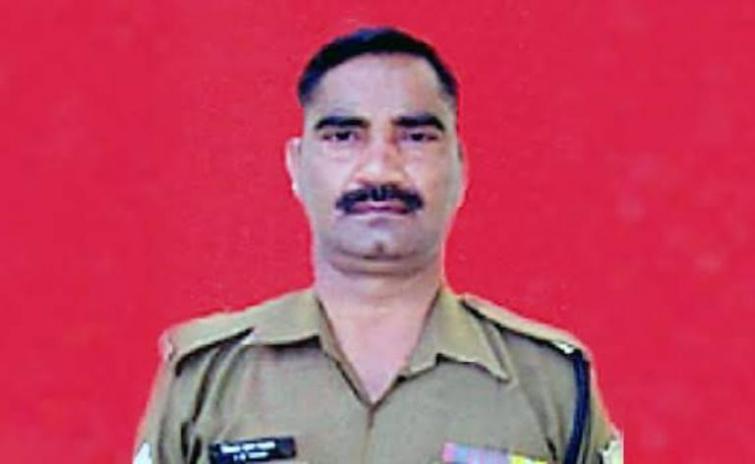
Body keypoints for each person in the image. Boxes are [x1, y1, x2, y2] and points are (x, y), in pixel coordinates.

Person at [134, 27, 622, 464]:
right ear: (296, 166)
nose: (379, 169)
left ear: (460, 167)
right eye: (344, 135)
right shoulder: (206, 378)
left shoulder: (551, 385)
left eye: (415, 137)